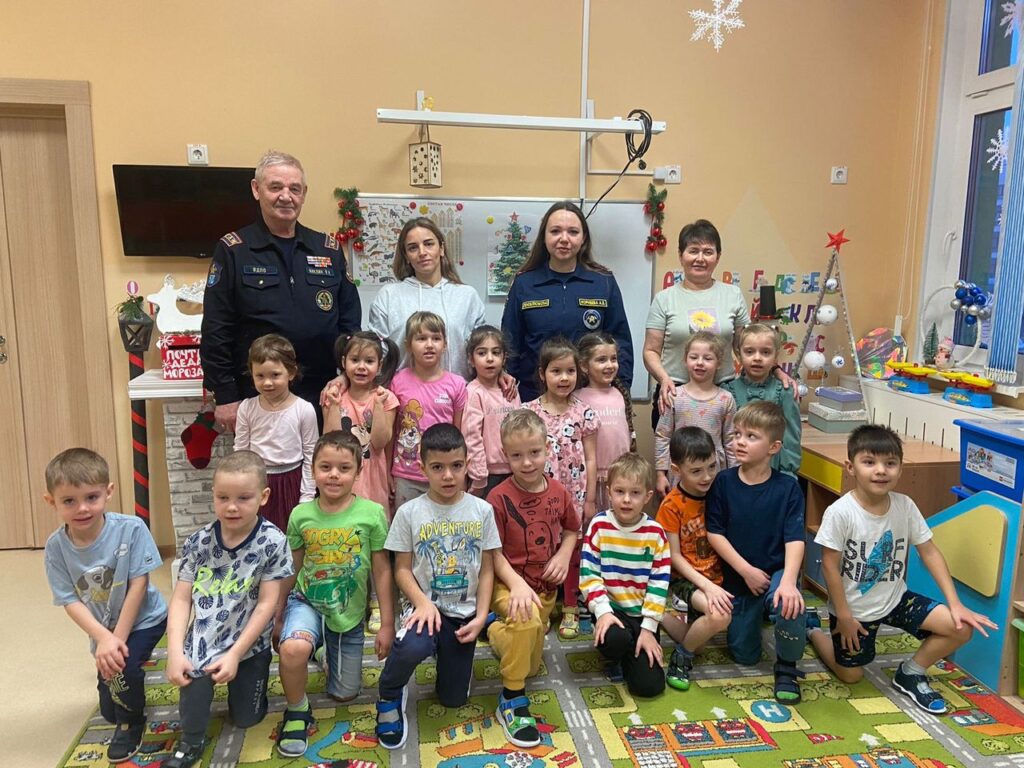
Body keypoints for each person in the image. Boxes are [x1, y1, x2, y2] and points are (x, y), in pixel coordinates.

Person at [808, 424, 996, 714]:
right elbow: (830, 567)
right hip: (854, 611)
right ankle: (813, 631)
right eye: (869, 462)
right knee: (851, 675)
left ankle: (910, 672)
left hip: (897, 600)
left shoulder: (905, 506)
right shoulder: (840, 512)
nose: (880, 470)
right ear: (851, 467)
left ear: (900, 468)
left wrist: (955, 604)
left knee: (960, 628)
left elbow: (929, 552)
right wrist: (843, 616)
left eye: (890, 463)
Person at [201, 150, 361, 431]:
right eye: (275, 187)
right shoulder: (235, 250)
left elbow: (350, 321)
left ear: (304, 194)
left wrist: (347, 376)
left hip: (323, 393)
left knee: (326, 460)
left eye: (294, 189)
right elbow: (217, 328)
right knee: (262, 462)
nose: (286, 196)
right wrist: (224, 394)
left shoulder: (327, 249)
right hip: (260, 394)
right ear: (256, 189)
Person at [375, 424, 501, 750]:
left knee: (453, 700)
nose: (448, 476)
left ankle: (456, 659)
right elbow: (401, 569)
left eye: (456, 466)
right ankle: (390, 693)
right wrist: (422, 602)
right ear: (422, 468)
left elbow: (488, 570)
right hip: (424, 608)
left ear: (467, 464)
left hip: (464, 613)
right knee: (412, 646)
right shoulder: (409, 513)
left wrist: (481, 615)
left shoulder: (483, 511)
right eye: (437, 467)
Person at [163, 451, 292, 768]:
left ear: (263, 496)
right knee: (191, 684)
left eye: (243, 498)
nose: (232, 507)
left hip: (249, 643)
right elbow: (181, 599)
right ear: (213, 495)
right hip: (204, 639)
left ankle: (248, 690)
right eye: (223, 498)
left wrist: (235, 654)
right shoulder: (198, 542)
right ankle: (191, 742)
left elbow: (267, 603)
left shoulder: (273, 542)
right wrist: (175, 652)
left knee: (247, 718)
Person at [43, 448, 167, 763]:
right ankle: (121, 696)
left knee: (122, 669)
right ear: (51, 502)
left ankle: (132, 723)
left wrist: (116, 639)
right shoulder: (55, 548)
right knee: (109, 706)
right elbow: (69, 600)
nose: (82, 508)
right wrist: (103, 638)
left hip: (145, 619)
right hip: (102, 628)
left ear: (108, 492)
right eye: (69, 501)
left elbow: (139, 585)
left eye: (91, 497)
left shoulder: (131, 528)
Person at [276, 431, 394, 757]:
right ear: (313, 469)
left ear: (358, 472)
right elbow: (291, 567)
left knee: (344, 694)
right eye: (325, 467)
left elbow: (382, 571)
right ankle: (297, 710)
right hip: (306, 600)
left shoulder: (372, 514)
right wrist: (278, 614)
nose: (333, 475)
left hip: (348, 612)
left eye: (344, 468)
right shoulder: (301, 515)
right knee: (292, 649)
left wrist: (386, 623)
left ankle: (321, 652)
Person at [487, 409, 580, 747]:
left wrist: (563, 555)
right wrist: (516, 585)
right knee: (525, 624)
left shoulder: (558, 492)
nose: (526, 462)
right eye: (516, 455)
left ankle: (495, 630)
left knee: (529, 661)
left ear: (548, 448)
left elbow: (571, 529)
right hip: (506, 585)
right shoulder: (498, 498)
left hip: (545, 591)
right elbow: (493, 553)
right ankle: (511, 700)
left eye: (534, 452)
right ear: (505, 455)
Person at [706, 401, 809, 703]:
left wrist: (788, 581)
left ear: (774, 447)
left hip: (777, 571)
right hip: (740, 578)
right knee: (744, 655)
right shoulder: (723, 482)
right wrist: (746, 571)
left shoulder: (788, 488)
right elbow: (715, 533)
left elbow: (795, 538)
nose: (740, 441)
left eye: (751, 436)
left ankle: (787, 667)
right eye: (737, 434)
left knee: (789, 603)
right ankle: (766, 609)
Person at [502, 201, 633, 402]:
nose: (564, 239)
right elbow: (510, 342)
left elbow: (620, 341)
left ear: (583, 238)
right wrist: (506, 388)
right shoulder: (524, 283)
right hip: (536, 397)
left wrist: (620, 390)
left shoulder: (603, 282)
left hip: (591, 395)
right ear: (544, 237)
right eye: (555, 231)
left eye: (573, 232)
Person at [324, 331, 401, 634]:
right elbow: (331, 440)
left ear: (379, 365)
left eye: (369, 361)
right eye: (354, 359)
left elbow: (380, 441)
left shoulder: (387, 398)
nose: (361, 366)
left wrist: (379, 406)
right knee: (345, 539)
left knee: (375, 543)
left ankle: (377, 601)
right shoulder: (333, 395)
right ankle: (347, 597)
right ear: (343, 361)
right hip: (342, 480)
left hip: (374, 479)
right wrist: (332, 404)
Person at [524, 336, 600, 639]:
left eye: (570, 371)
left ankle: (570, 606)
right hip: (540, 494)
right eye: (556, 371)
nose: (564, 378)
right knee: (541, 547)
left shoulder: (584, 412)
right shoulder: (530, 412)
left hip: (575, 494)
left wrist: (590, 498)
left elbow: (591, 458)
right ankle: (542, 606)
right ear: (542, 374)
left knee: (572, 549)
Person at [643, 219, 748, 430]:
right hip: (675, 391)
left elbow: (744, 346)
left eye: (708, 252)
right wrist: (664, 379)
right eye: (693, 251)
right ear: (681, 255)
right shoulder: (665, 299)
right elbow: (651, 350)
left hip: (722, 390)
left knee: (724, 448)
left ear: (718, 256)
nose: (700, 258)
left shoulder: (733, 295)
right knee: (675, 449)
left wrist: (774, 370)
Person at [580, 453, 670, 699]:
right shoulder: (599, 525)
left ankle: (634, 652)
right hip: (612, 611)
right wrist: (602, 612)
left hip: (642, 615)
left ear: (647, 496)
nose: (627, 500)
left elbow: (659, 584)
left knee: (649, 687)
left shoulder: (656, 534)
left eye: (635, 493)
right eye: (620, 492)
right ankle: (617, 655)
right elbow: (589, 574)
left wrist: (649, 629)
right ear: (609, 492)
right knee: (615, 639)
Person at [655, 427, 733, 691]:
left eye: (712, 467)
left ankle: (662, 617)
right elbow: (674, 557)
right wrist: (708, 587)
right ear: (676, 470)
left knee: (702, 637)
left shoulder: (719, 492)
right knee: (720, 616)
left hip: (718, 575)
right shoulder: (671, 506)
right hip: (685, 579)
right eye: (696, 471)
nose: (707, 476)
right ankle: (681, 656)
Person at [368, 217, 485, 379]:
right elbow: (374, 351)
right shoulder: (388, 295)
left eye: (429, 244)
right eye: (413, 247)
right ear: (406, 256)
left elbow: (482, 348)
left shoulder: (467, 296)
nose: (422, 252)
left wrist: (499, 374)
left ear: (441, 249)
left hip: (459, 392)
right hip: (401, 392)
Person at [233, 334, 318, 532]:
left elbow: (311, 455)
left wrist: (306, 496)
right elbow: (241, 452)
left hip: (292, 482)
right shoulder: (247, 408)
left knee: (291, 536)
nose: (267, 383)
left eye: (275, 375)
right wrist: (242, 487)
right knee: (257, 535)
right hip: (258, 482)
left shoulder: (304, 409)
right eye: (260, 376)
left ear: (291, 373)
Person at [390, 311, 468, 510]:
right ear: (408, 345)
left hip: (444, 474)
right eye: (421, 338)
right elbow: (391, 433)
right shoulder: (397, 381)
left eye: (436, 338)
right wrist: (387, 472)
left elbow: (458, 433)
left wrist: (460, 475)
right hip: (406, 474)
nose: (429, 344)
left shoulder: (457, 384)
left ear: (445, 344)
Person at [654, 331, 736, 496]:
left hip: (714, 473)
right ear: (685, 360)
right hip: (681, 470)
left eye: (707, 358)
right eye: (694, 357)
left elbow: (730, 440)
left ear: (719, 363)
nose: (700, 363)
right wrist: (660, 474)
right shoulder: (674, 396)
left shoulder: (726, 399)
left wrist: (735, 476)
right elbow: (663, 436)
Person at [723, 323, 801, 476]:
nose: (757, 358)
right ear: (739, 354)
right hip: (734, 471)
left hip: (773, 471)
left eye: (766, 352)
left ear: (775, 356)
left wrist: (788, 474)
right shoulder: (727, 391)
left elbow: (791, 438)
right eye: (749, 352)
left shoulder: (785, 391)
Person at [575, 331, 634, 513]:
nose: (609, 365)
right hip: (592, 479)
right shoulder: (577, 398)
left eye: (613, 359)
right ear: (584, 365)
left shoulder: (620, 393)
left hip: (621, 476)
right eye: (601, 360)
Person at [463, 325, 521, 497]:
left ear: (504, 358)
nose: (490, 359)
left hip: (516, 470)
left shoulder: (510, 389)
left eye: (496, 353)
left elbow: (521, 430)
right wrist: (479, 477)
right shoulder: (474, 392)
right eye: (482, 353)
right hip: (487, 475)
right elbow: (471, 437)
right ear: (471, 359)